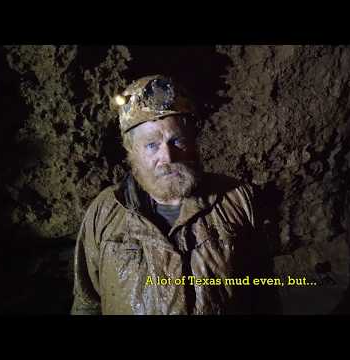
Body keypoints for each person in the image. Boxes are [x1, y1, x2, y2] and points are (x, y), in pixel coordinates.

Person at [71, 75, 274, 315]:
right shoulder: (105, 211)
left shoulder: (237, 200)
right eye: (151, 145)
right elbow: (87, 304)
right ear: (130, 151)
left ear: (194, 143)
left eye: (176, 140)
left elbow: (264, 296)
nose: (168, 157)